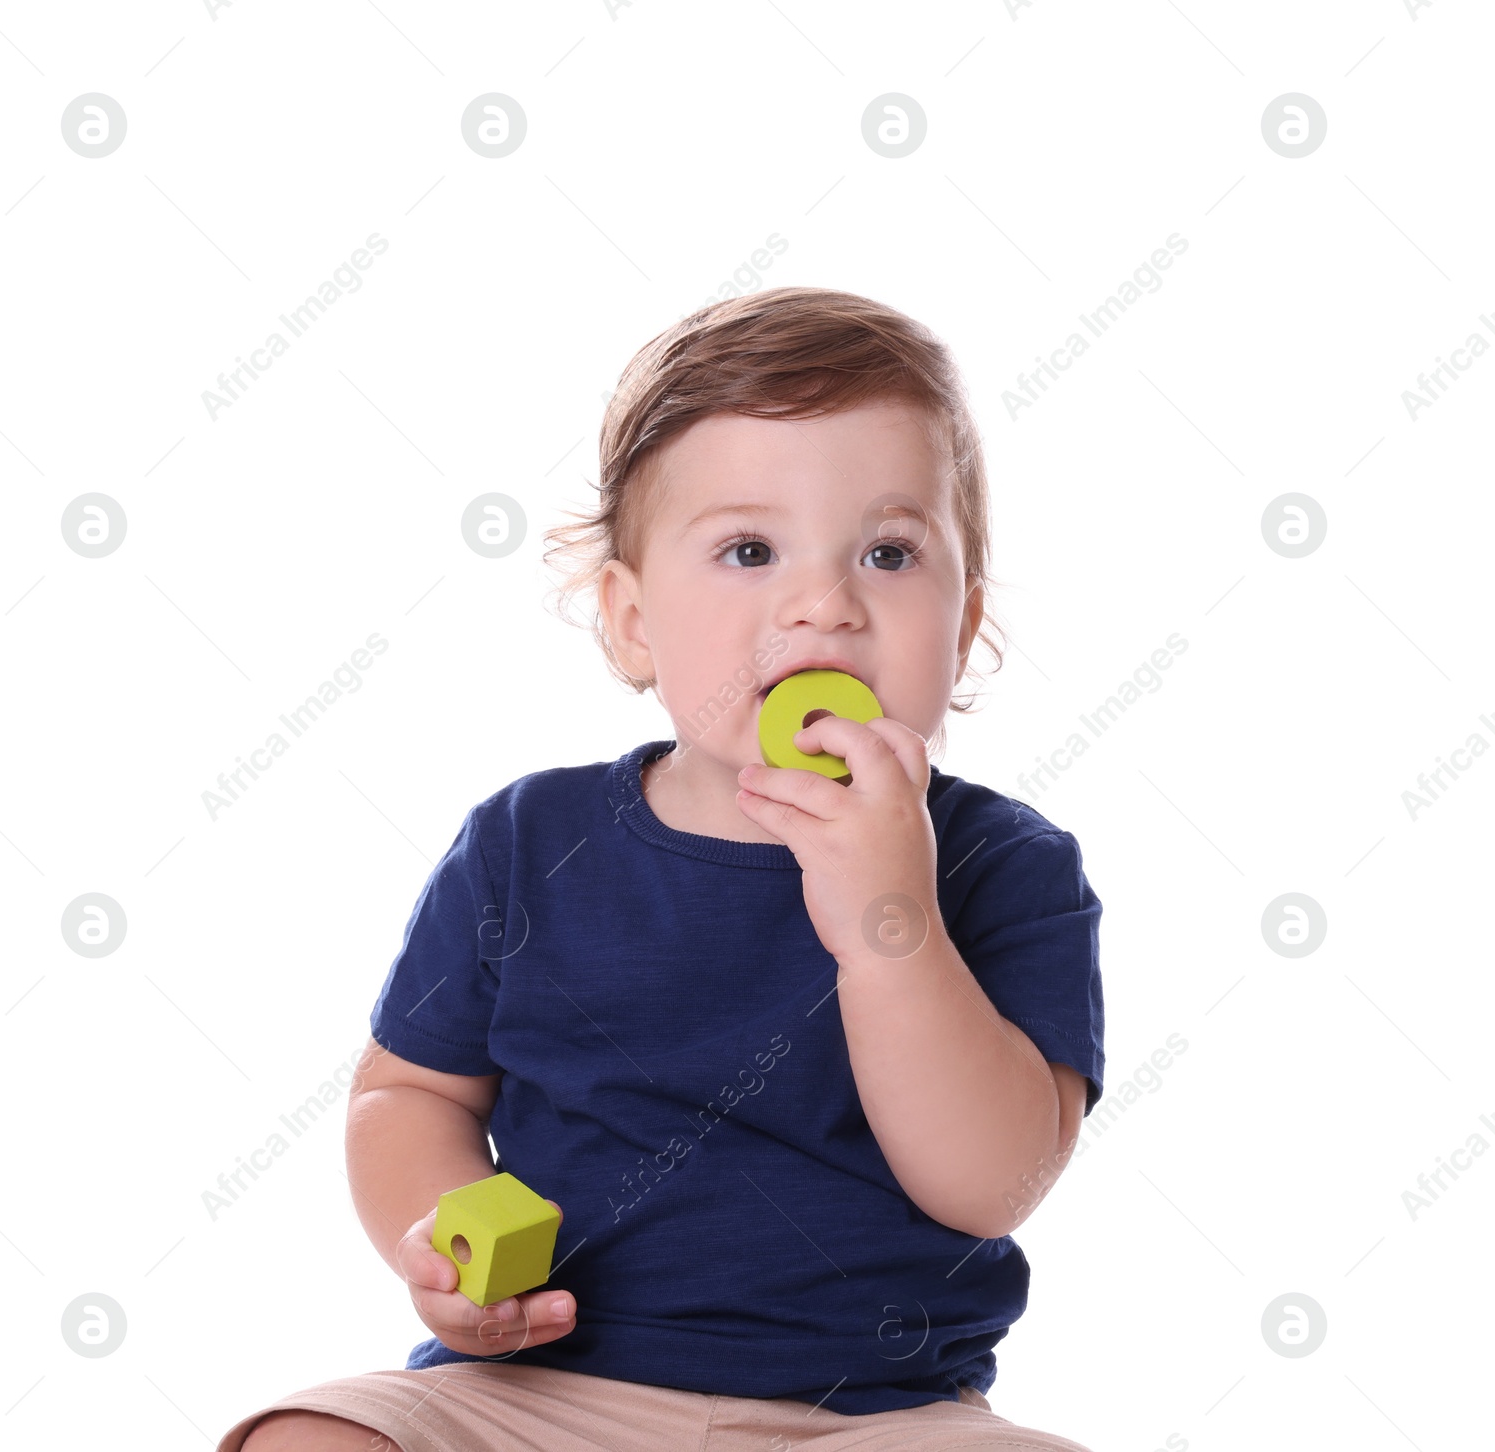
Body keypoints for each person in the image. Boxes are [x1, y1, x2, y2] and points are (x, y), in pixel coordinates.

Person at [217, 286, 1106, 1451]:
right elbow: (406, 1093)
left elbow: (989, 1183)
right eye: (749, 550)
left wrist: (889, 918)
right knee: (308, 1436)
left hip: (872, 1418)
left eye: (888, 553)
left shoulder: (1003, 866)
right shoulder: (528, 843)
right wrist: (439, 1238)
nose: (824, 605)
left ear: (965, 620)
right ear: (632, 621)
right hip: (539, 1394)